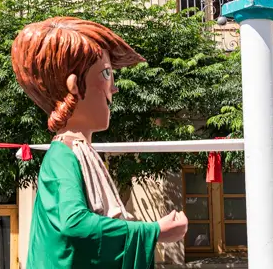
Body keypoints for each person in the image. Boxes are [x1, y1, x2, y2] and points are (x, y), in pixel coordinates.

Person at [11, 17, 188, 268]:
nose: (113, 88)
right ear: (74, 86)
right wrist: (153, 231)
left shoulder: (78, 152)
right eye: (106, 74)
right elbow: (74, 224)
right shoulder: (64, 155)